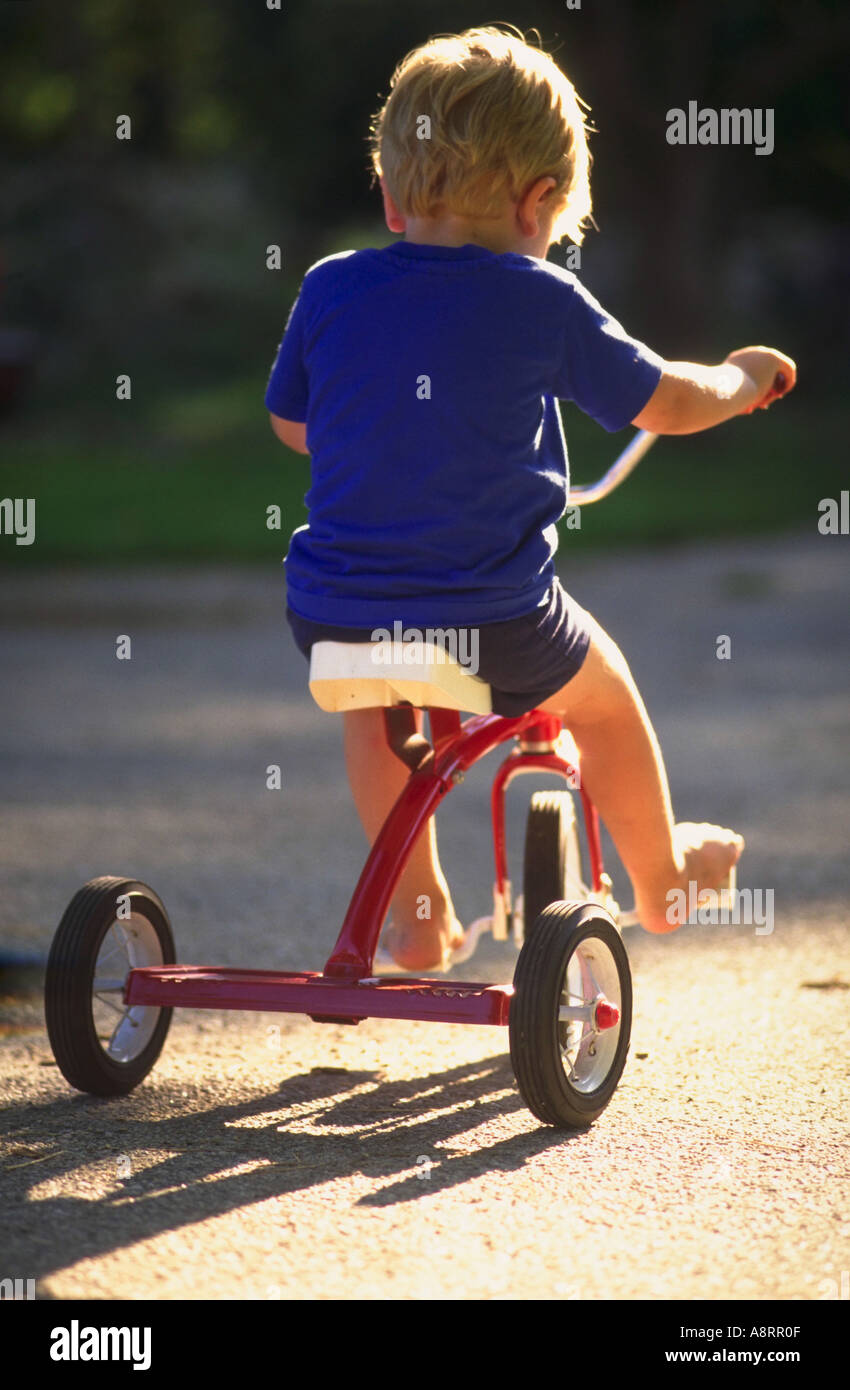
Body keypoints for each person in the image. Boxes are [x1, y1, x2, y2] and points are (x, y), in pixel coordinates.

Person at [265, 26, 796, 971]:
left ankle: (417, 912)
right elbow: (668, 403)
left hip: (334, 609)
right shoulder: (540, 297)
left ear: (390, 194)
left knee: (375, 699)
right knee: (605, 696)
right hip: (496, 619)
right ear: (538, 201)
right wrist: (739, 379)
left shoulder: (331, 287)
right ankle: (664, 879)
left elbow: (293, 426)